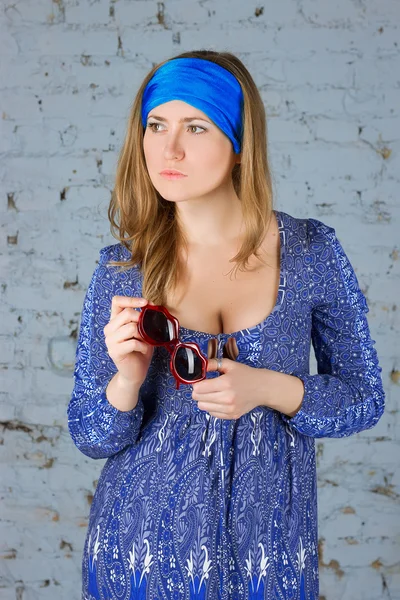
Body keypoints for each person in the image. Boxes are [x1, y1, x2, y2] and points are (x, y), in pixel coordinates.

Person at [67, 50, 385, 600]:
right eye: (156, 125)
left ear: (239, 146)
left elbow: (364, 398)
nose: (169, 149)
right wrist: (125, 380)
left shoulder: (310, 251)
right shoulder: (122, 268)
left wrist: (268, 388)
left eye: (196, 126)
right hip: (139, 554)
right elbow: (91, 436)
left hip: (269, 555)